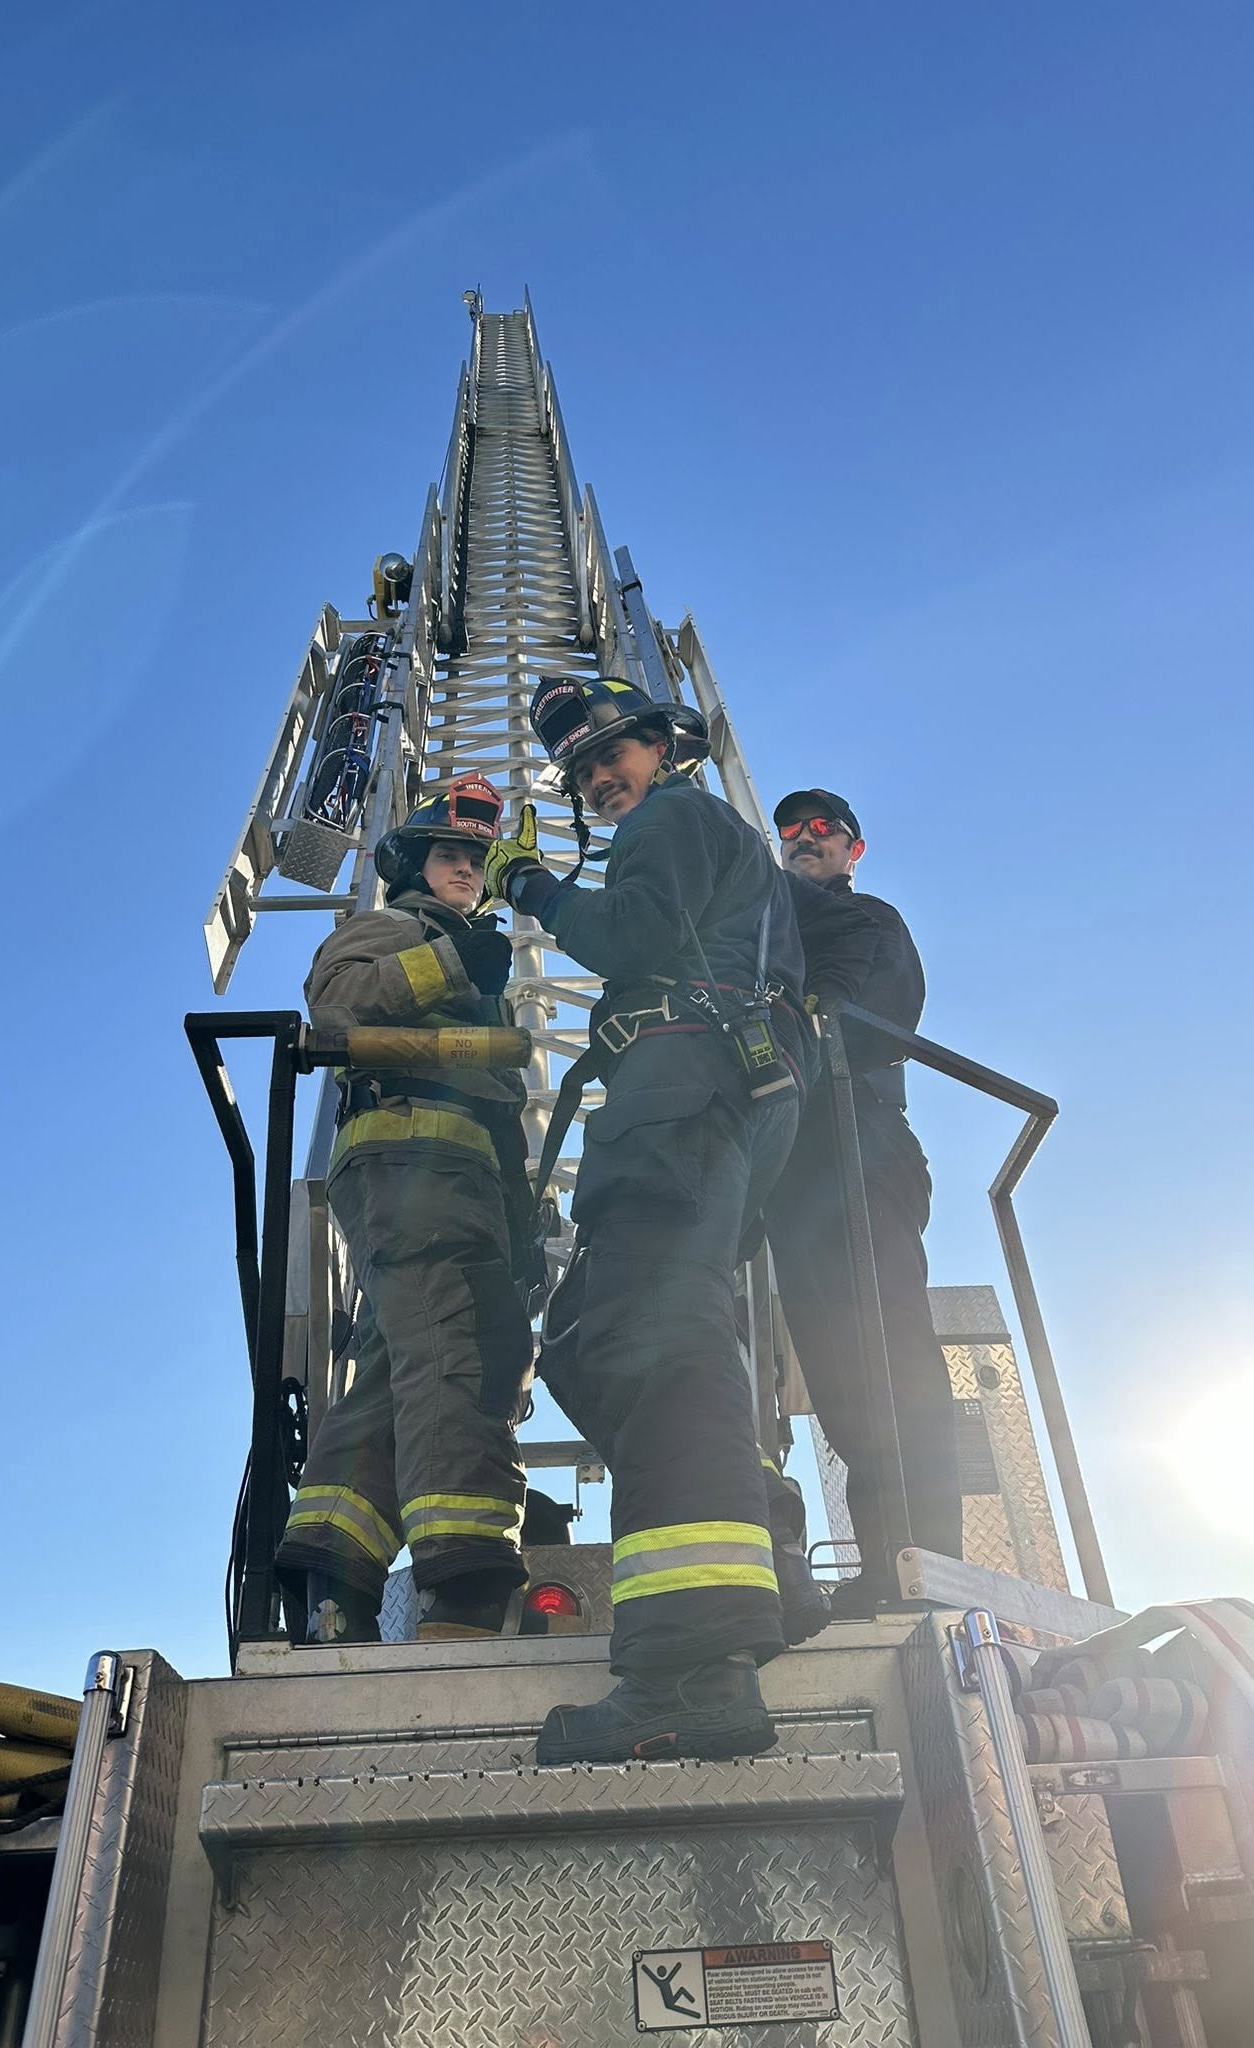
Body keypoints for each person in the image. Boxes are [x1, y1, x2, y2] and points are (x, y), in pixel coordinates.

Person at [484, 675, 810, 1765]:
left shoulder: (670, 818)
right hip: (707, 1096)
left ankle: (694, 1671)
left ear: (662, 748)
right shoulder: (712, 834)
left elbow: (628, 936)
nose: (596, 776)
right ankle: (771, 1545)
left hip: (680, 1091)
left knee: (660, 1344)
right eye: (581, 767)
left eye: (611, 752)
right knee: (595, 1340)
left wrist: (529, 882)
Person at [275, 774, 536, 1644]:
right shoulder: (396, 927)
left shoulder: (470, 949)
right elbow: (338, 1004)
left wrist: (522, 1226)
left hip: (458, 1177)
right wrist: (452, 965)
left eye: (477, 860)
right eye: (451, 853)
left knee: (398, 1367)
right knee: (459, 1349)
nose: (467, 869)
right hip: (411, 1163)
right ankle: (464, 1579)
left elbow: (497, 1110)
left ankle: (332, 1575)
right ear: (414, 864)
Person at [763, 788, 961, 1618]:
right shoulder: (763, 938)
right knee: (839, 1370)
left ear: (854, 849)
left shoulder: (869, 921)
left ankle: (928, 1563)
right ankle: (886, 1561)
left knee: (888, 1347)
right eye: (791, 830)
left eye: (825, 829)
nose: (806, 838)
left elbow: (886, 1013)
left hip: (861, 1140)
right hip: (792, 1171)